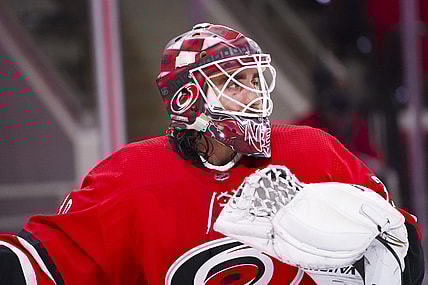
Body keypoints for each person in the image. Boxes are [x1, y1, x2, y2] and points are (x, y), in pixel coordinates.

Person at [0, 23, 424, 284]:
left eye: (256, 79)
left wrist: (397, 255)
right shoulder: (131, 176)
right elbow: (52, 262)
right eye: (235, 82)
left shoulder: (312, 151)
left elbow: (399, 250)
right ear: (188, 99)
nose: (254, 93)